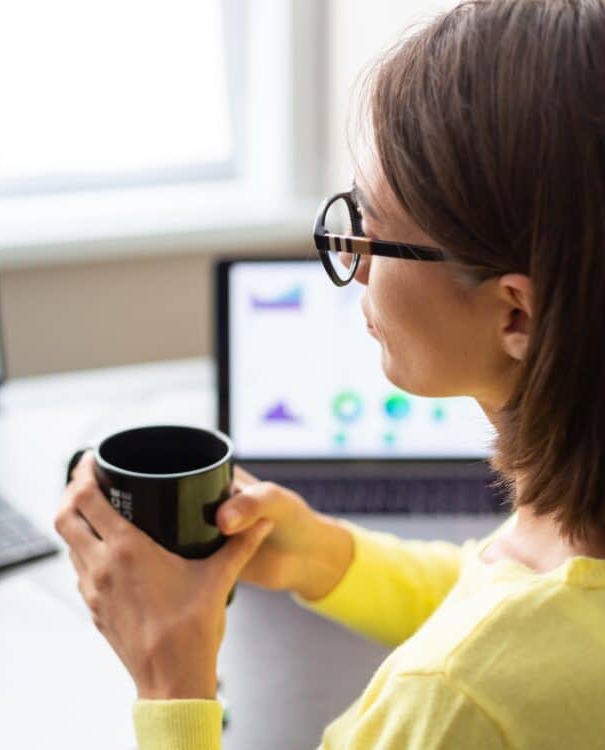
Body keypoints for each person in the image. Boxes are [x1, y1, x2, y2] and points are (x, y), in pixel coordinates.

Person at [54, 0, 605, 747]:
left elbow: (495, 661)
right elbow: (517, 594)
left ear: (516, 316)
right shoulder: (573, 535)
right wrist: (321, 555)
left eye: (373, 231)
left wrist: (170, 680)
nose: (352, 263)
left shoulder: (451, 704)